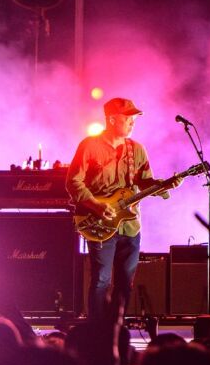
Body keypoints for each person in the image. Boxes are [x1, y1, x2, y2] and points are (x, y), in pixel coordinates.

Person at [66, 97, 179, 322]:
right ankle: (97, 328)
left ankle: (115, 326)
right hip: (99, 221)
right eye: (128, 119)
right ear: (111, 119)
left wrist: (164, 186)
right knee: (101, 279)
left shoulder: (137, 149)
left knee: (125, 281)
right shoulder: (89, 146)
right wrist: (95, 205)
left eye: (134, 119)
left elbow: (145, 182)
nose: (132, 123)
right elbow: (73, 182)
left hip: (130, 225)